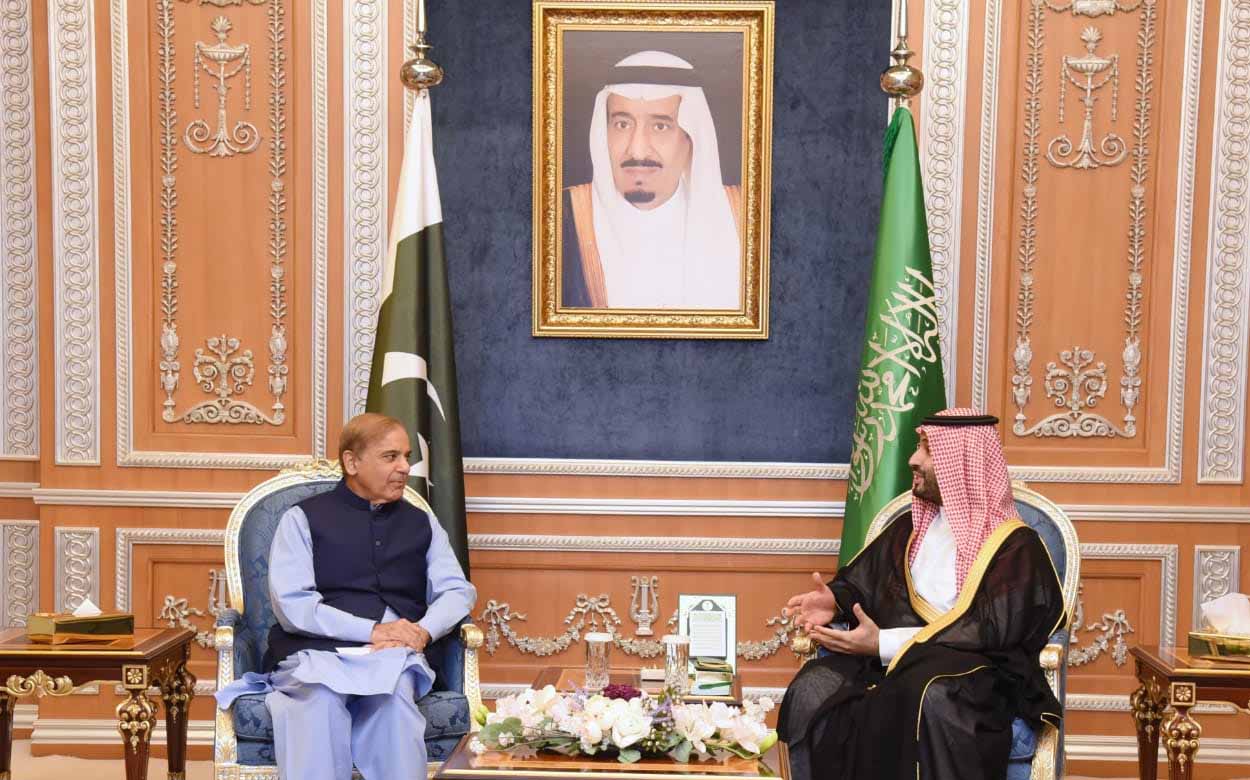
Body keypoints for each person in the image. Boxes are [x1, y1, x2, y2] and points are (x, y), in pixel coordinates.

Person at [777, 409, 1065, 780]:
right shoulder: (910, 529)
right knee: (812, 688)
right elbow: (865, 581)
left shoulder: (1016, 547)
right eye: (919, 446)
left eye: (928, 449)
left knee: (930, 693)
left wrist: (883, 643)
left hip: (971, 675)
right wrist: (835, 600)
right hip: (891, 665)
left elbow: (988, 632)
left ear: (962, 461)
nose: (913, 459)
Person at [215, 413, 476, 780]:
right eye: (390, 457)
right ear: (352, 462)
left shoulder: (421, 521)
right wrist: (372, 631)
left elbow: (457, 591)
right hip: (314, 652)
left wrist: (423, 631)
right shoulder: (302, 518)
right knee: (317, 703)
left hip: (394, 656)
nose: (405, 467)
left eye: (406, 456)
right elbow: (293, 606)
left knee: (393, 705)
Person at [561, 49, 742, 309]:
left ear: (691, 138)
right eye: (622, 124)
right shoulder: (560, 218)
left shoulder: (744, 218)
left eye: (660, 126)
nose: (637, 150)